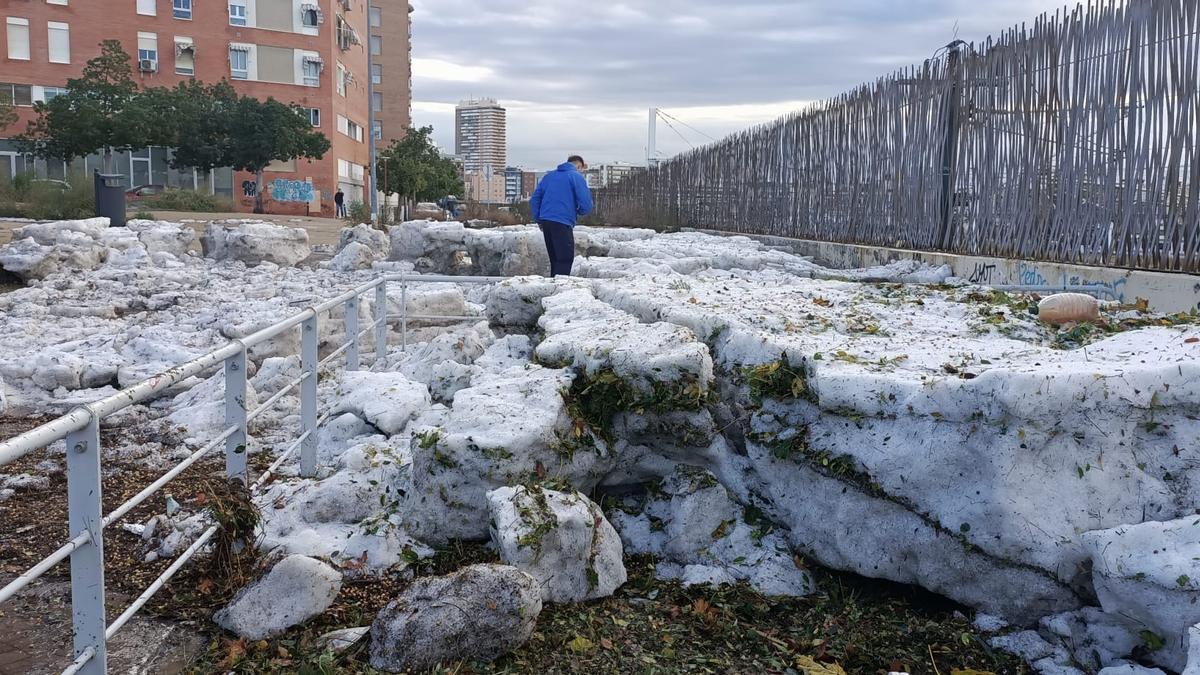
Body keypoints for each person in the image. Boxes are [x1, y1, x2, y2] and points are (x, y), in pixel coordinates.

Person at [530, 155, 594, 277]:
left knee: (554, 260)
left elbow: (535, 199)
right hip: (562, 222)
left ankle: (552, 287)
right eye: (581, 170)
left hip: (546, 221)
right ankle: (560, 290)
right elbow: (585, 202)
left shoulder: (549, 176)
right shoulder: (575, 176)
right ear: (579, 166)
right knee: (564, 259)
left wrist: (539, 219)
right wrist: (580, 211)